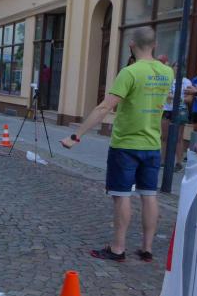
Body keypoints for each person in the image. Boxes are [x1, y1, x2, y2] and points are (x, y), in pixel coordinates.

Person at [61, 27, 172, 263]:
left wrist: (75, 136)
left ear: (131, 45)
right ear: (155, 45)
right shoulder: (167, 72)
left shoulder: (129, 72)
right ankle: (146, 249)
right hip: (152, 145)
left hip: (126, 145)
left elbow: (104, 107)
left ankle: (118, 249)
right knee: (149, 195)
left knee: (122, 196)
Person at [158, 57, 191, 172]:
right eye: (176, 66)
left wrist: (177, 98)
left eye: (181, 67)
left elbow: (189, 99)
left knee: (178, 138)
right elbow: (162, 94)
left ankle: (179, 163)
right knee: (164, 137)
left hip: (179, 111)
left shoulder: (186, 82)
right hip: (167, 110)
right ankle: (163, 161)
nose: (178, 68)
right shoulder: (168, 79)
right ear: (172, 68)